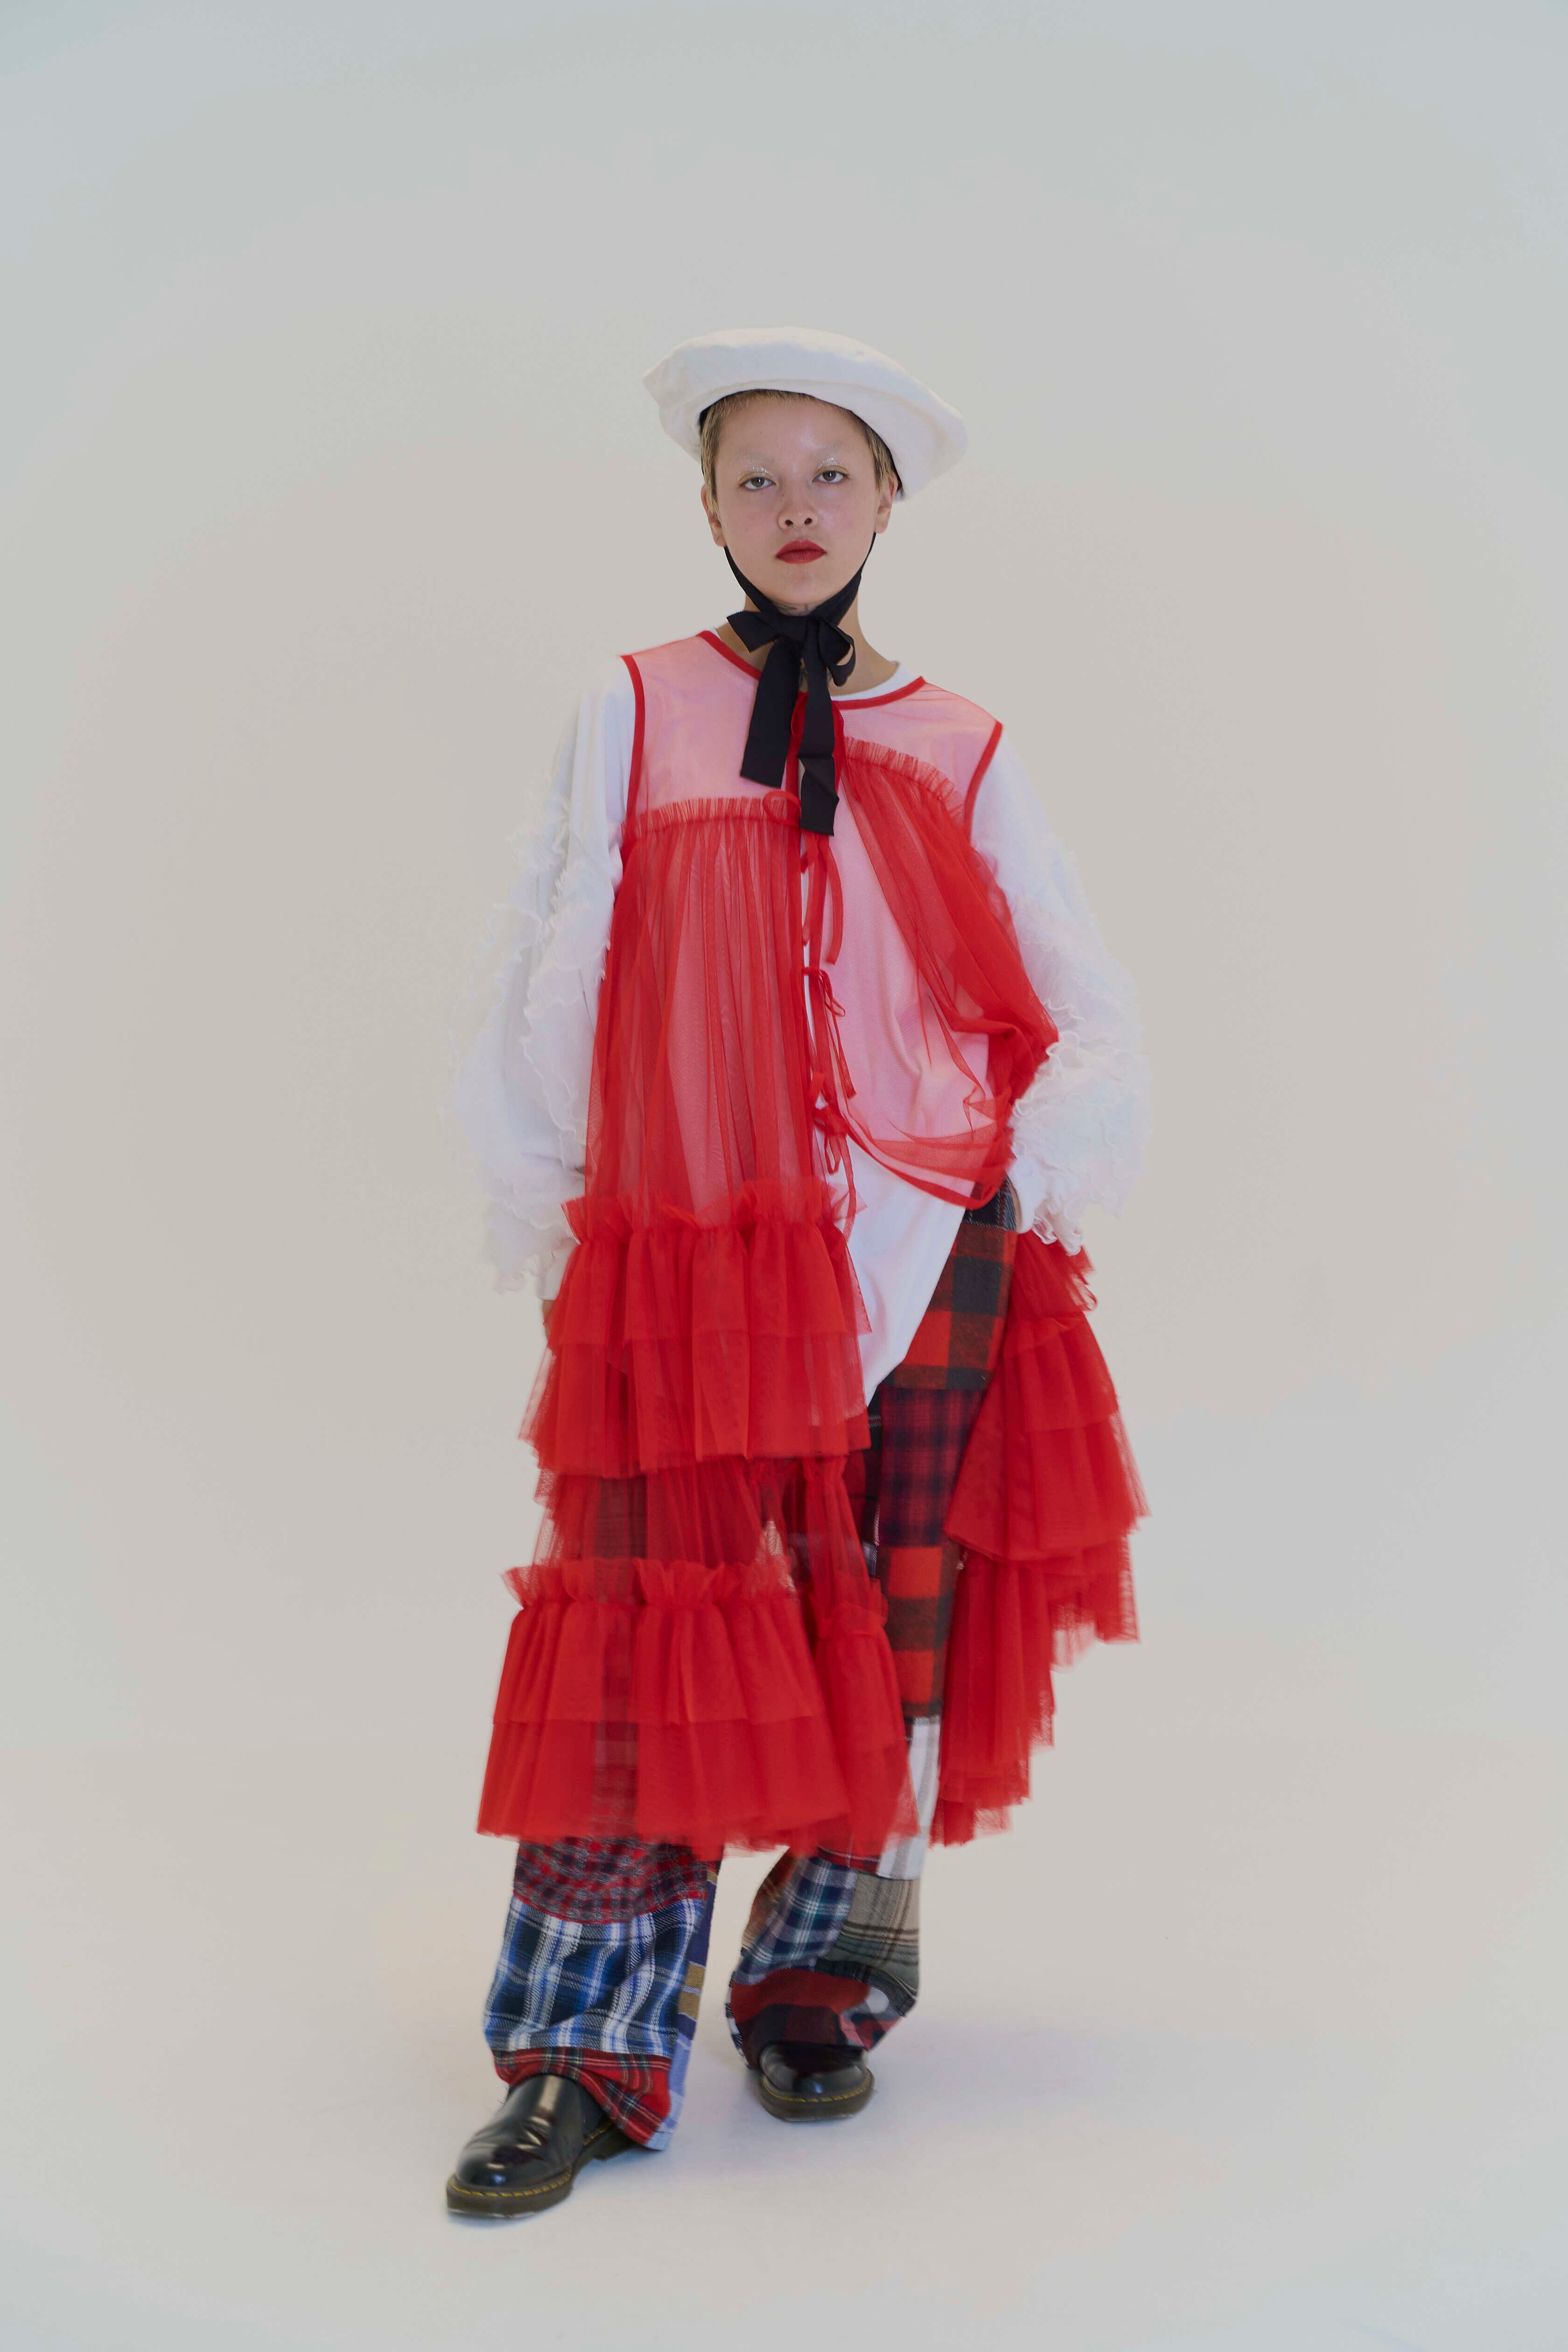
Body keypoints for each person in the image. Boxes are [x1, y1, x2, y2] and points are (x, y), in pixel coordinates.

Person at [446, 326, 1149, 2216]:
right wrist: (570, 1194)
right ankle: (585, 2048)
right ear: (707, 508)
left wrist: (1021, 1171)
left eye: (831, 472)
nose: (795, 507)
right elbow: (561, 948)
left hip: (928, 1232)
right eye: (754, 476)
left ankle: (821, 1981)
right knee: (649, 1624)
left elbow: (1078, 994)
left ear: (889, 499)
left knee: (900, 1625)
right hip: (695, 1237)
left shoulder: (966, 739)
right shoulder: (634, 706)